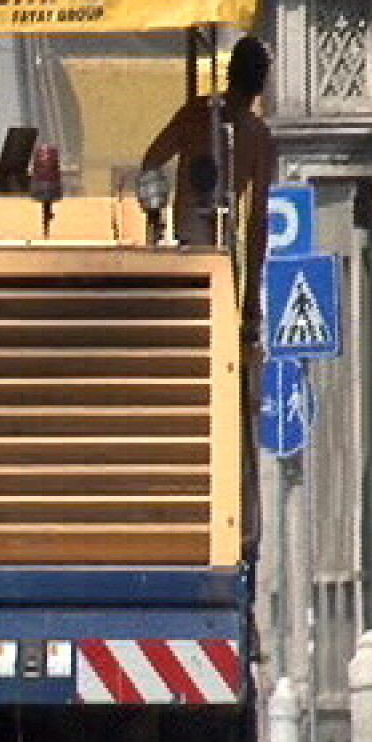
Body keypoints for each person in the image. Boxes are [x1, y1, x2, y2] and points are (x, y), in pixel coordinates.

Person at [141, 34, 277, 564]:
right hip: (218, 259)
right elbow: (258, 219)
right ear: (258, 81)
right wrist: (250, 304)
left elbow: (151, 160)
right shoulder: (255, 136)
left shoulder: (200, 116)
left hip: (188, 251)